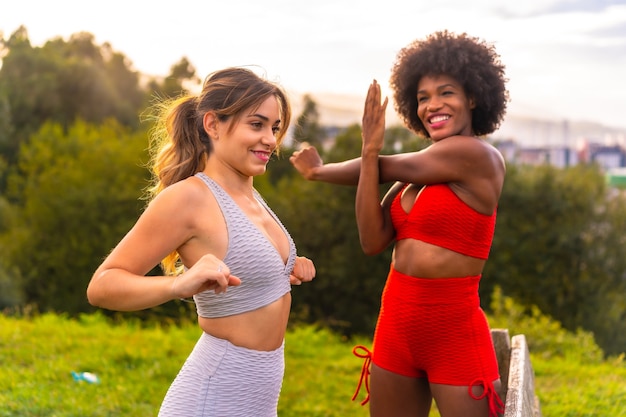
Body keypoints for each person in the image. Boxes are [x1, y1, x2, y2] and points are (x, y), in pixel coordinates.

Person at [289, 30, 508, 417]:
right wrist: (369, 155)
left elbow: (383, 166)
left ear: (473, 97)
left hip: (453, 333)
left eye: (446, 93)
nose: (432, 105)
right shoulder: (412, 181)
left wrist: (324, 171)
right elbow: (372, 241)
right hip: (396, 326)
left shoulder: (477, 156)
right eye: (423, 98)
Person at [87, 66, 316, 417]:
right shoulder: (187, 198)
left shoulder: (252, 196)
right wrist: (177, 285)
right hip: (212, 400)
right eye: (256, 125)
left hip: (258, 402)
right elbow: (102, 286)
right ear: (212, 125)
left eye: (274, 127)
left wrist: (285, 268)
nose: (270, 139)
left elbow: (246, 273)